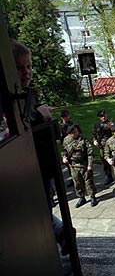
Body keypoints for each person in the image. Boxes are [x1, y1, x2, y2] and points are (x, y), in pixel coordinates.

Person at [12, 39, 71, 255]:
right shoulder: (11, 97)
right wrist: (38, 115)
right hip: (24, 172)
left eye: (28, 66)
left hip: (41, 170)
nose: (26, 72)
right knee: (37, 217)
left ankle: (59, 233)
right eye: (19, 67)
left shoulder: (26, 93)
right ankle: (58, 235)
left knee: (44, 210)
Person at [62, 124, 98, 208]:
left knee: (88, 181)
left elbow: (90, 153)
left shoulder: (84, 140)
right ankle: (81, 197)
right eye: (73, 132)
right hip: (73, 165)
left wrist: (90, 165)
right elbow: (64, 150)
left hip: (83, 164)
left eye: (76, 131)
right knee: (77, 182)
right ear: (70, 134)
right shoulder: (66, 140)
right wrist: (64, 157)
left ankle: (92, 196)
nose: (75, 133)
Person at [92, 109, 114, 185]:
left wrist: (110, 126)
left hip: (111, 145)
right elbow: (94, 133)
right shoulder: (97, 125)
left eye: (104, 115)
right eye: (101, 116)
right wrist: (94, 140)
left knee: (114, 160)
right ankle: (109, 176)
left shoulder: (110, 123)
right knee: (104, 161)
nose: (103, 117)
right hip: (102, 146)